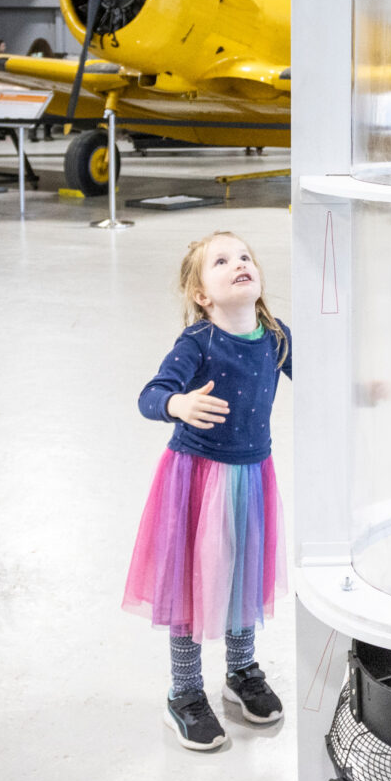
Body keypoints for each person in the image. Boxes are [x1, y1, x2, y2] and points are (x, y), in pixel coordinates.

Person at [125, 232, 290, 752]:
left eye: (245, 255)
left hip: (251, 476)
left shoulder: (276, 336)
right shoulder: (197, 343)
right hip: (196, 480)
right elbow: (150, 395)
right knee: (192, 586)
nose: (239, 263)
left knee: (243, 575)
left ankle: (241, 672)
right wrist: (178, 405)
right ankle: (185, 692)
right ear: (202, 294)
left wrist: (363, 388)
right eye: (221, 261)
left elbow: (322, 375)